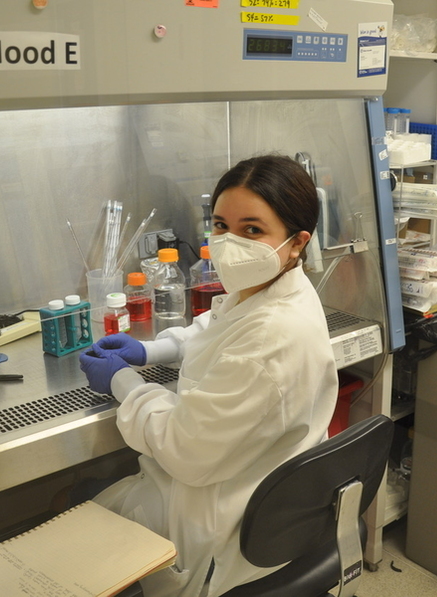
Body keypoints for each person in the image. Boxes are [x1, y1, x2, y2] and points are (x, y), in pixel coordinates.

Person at [78, 154, 339, 597]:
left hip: (214, 523)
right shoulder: (281, 287)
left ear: (297, 242)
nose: (229, 242)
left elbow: (183, 449)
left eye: (252, 230)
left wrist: (123, 382)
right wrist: (152, 348)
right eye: (221, 225)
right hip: (256, 495)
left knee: (74, 542)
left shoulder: (271, 339)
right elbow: (218, 326)